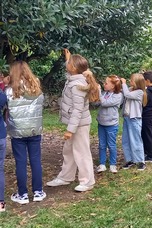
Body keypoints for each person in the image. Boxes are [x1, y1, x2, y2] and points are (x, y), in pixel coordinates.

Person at [47, 49, 99, 192]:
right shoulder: (74, 78)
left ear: (74, 68)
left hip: (79, 125)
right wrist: (68, 58)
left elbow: (77, 110)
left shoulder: (77, 85)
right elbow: (69, 72)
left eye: (69, 63)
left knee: (81, 152)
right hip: (75, 123)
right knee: (68, 150)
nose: (66, 64)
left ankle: (87, 181)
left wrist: (70, 130)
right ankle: (66, 177)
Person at [5, 61, 45, 204]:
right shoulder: (36, 87)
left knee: (20, 162)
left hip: (17, 131)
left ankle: (22, 194)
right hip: (34, 129)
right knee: (35, 160)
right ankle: (38, 191)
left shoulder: (10, 90)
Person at [96, 75, 123, 174]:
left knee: (111, 145)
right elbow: (98, 102)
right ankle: (102, 164)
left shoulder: (118, 96)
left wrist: (98, 92)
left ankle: (112, 164)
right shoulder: (105, 93)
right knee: (102, 144)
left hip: (111, 124)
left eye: (106, 83)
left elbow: (104, 103)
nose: (104, 84)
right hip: (102, 123)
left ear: (113, 86)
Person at [121, 73, 147, 170]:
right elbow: (124, 92)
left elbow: (126, 94)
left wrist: (123, 83)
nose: (129, 81)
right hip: (127, 118)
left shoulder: (140, 92)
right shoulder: (131, 89)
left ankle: (140, 161)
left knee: (136, 140)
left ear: (137, 82)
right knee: (126, 140)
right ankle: (130, 159)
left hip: (135, 119)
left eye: (131, 80)